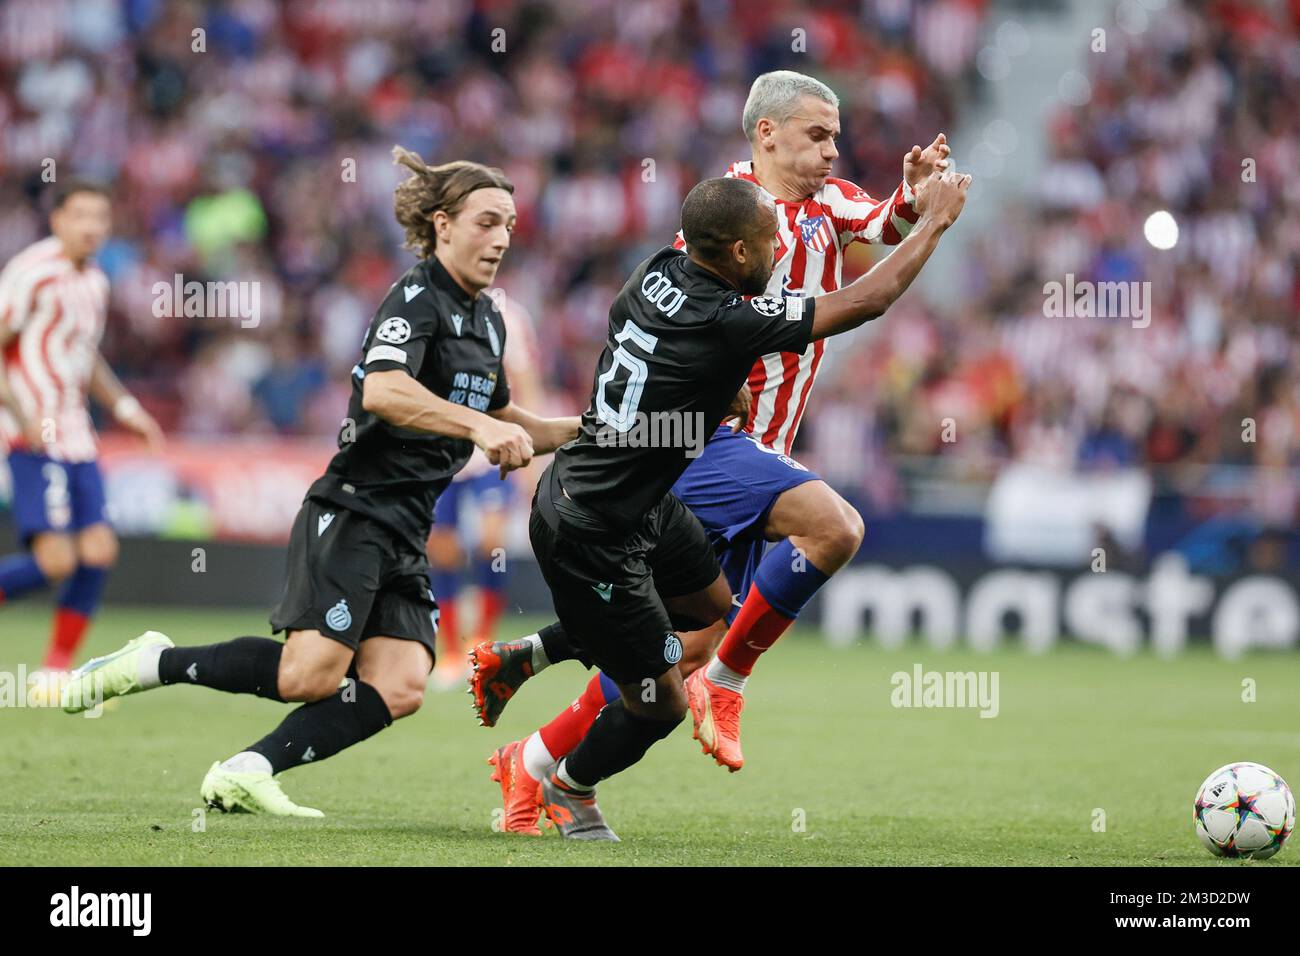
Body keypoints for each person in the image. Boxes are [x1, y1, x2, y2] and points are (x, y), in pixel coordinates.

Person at [470, 70, 952, 833]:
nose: (833, 150)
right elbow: (846, 300)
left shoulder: (826, 200)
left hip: (753, 444)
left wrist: (916, 200)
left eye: (836, 136)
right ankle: (726, 682)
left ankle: (532, 753)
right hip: (712, 445)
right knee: (831, 529)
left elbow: (879, 224)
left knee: (678, 641)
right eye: (816, 135)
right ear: (765, 134)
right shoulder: (729, 215)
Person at [60, 149, 579, 817]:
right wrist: (476, 429)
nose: (502, 237)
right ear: (444, 225)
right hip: (355, 510)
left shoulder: (488, 318)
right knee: (308, 676)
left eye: (509, 223)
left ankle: (249, 768)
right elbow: (387, 390)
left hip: (406, 526)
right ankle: (153, 662)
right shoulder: (416, 298)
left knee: (400, 683)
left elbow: (511, 418)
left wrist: (594, 428)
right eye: (487, 221)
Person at [0, 180, 162, 684]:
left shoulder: (94, 281)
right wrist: (22, 412)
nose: (91, 226)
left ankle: (54, 671)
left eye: (100, 217)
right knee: (55, 562)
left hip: (76, 433)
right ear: (58, 221)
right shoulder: (31, 273)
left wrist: (127, 407)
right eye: (81, 216)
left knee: (98, 552)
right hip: (31, 435)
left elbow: (83, 355)